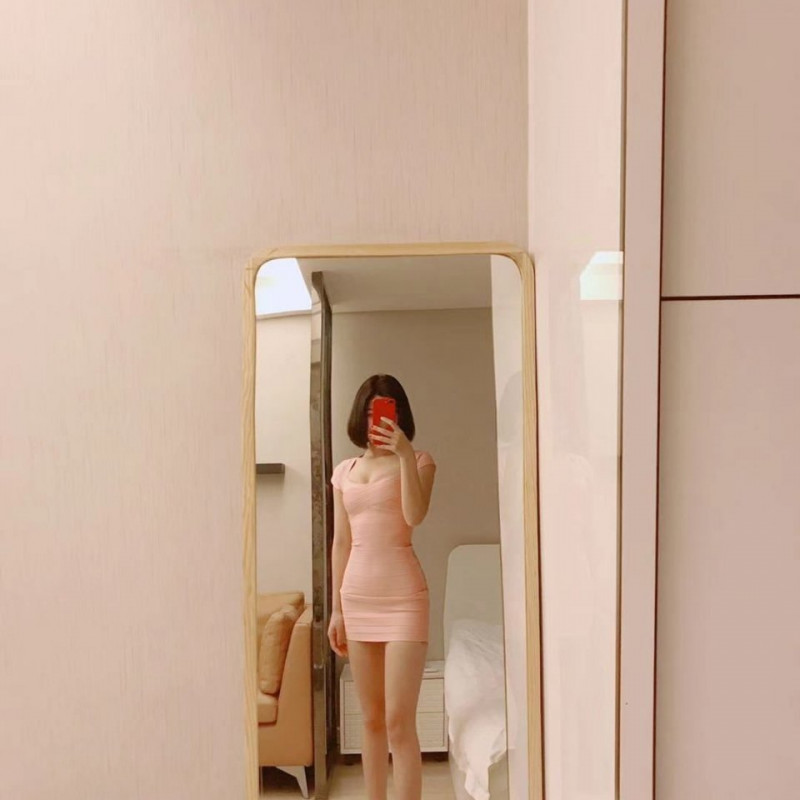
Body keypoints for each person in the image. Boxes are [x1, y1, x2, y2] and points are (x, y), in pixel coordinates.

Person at [328, 374, 437, 800]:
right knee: (370, 720)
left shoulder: (421, 460)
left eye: (388, 409)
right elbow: (341, 542)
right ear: (361, 413)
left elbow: (414, 516)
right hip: (357, 598)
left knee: (398, 722)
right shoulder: (344, 471)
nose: (380, 418)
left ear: (400, 414)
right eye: (373, 410)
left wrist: (405, 454)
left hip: (404, 599)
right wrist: (337, 609)